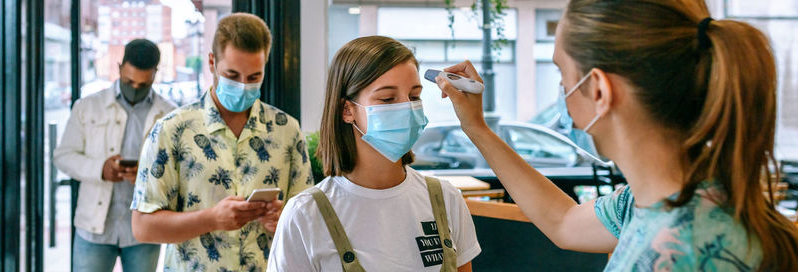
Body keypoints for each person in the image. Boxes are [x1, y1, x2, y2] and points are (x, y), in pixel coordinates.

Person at [434, 0, 798, 271]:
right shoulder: (657, 201)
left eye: (562, 71)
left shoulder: (674, 254)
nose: (561, 89)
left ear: (599, 91)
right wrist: (476, 128)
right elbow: (564, 221)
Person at [267, 36, 481, 272]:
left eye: (414, 97)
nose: (406, 108)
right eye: (387, 99)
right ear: (347, 110)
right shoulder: (305, 214)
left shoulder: (445, 199)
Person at [130, 13, 313, 271]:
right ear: (212, 62)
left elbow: (309, 222)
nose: (242, 86)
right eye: (232, 75)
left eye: (253, 78)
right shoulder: (172, 130)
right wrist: (212, 219)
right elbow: (143, 227)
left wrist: (284, 219)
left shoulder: (287, 130)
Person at [53, 38, 176, 272]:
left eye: (143, 84)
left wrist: (147, 173)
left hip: (143, 232)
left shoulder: (169, 114)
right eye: (129, 81)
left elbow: (178, 171)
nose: (135, 89)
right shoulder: (87, 106)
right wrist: (100, 169)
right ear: (120, 68)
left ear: (155, 74)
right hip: (94, 230)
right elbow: (63, 156)